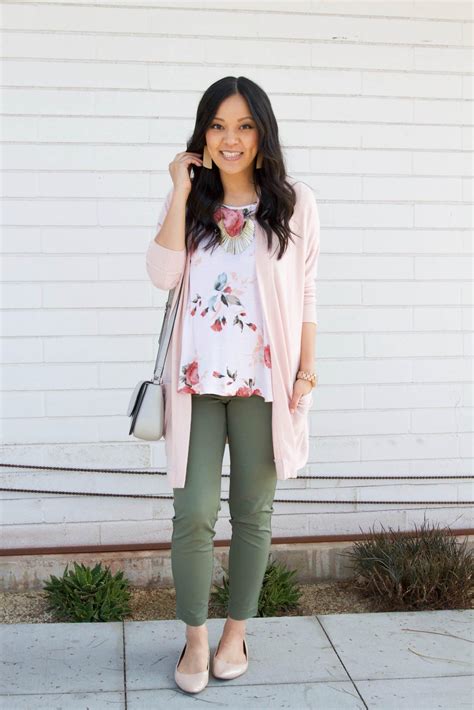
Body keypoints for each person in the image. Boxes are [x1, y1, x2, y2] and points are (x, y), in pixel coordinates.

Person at [145, 76, 320, 694]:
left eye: (244, 125)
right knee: (192, 514)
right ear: (203, 135)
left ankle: (234, 633)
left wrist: (307, 368)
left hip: (263, 388)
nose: (231, 138)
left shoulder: (294, 202)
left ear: (262, 133)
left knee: (252, 515)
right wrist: (176, 189)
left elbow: (306, 291)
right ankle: (194, 638)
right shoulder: (191, 204)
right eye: (218, 125)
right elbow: (162, 275)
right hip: (196, 387)